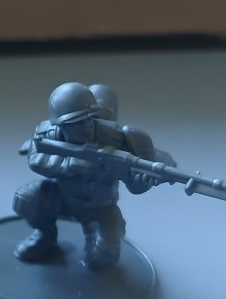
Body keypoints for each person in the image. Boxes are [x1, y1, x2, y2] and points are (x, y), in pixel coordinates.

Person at [13, 82, 169, 270]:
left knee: (104, 255)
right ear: (61, 124)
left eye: (89, 118)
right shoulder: (49, 133)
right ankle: (45, 235)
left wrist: (142, 181)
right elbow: (35, 158)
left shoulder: (118, 140)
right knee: (26, 199)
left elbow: (136, 187)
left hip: (99, 206)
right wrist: (70, 164)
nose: (87, 126)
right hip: (62, 197)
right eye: (77, 122)